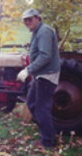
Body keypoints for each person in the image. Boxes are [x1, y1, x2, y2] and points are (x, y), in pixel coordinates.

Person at [17, 8, 60, 148]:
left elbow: (45, 56)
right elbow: (41, 49)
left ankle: (48, 142)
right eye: (25, 20)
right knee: (32, 104)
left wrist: (28, 70)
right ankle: (47, 133)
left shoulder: (44, 31)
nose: (27, 22)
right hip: (40, 75)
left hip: (46, 75)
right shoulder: (37, 32)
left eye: (30, 19)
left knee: (41, 108)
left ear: (38, 18)